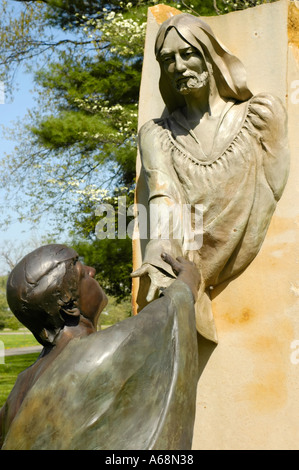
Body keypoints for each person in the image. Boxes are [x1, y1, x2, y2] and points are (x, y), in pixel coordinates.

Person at [133, 13, 290, 343]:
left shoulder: (261, 116)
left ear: (209, 55)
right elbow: (162, 195)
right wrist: (161, 246)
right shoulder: (156, 135)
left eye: (187, 53)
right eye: (167, 59)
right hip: (187, 262)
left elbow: (275, 186)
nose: (178, 66)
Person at [0, 244, 200, 450]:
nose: (91, 271)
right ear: (69, 304)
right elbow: (170, 312)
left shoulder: (21, 385)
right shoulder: (99, 351)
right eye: (82, 271)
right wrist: (188, 279)